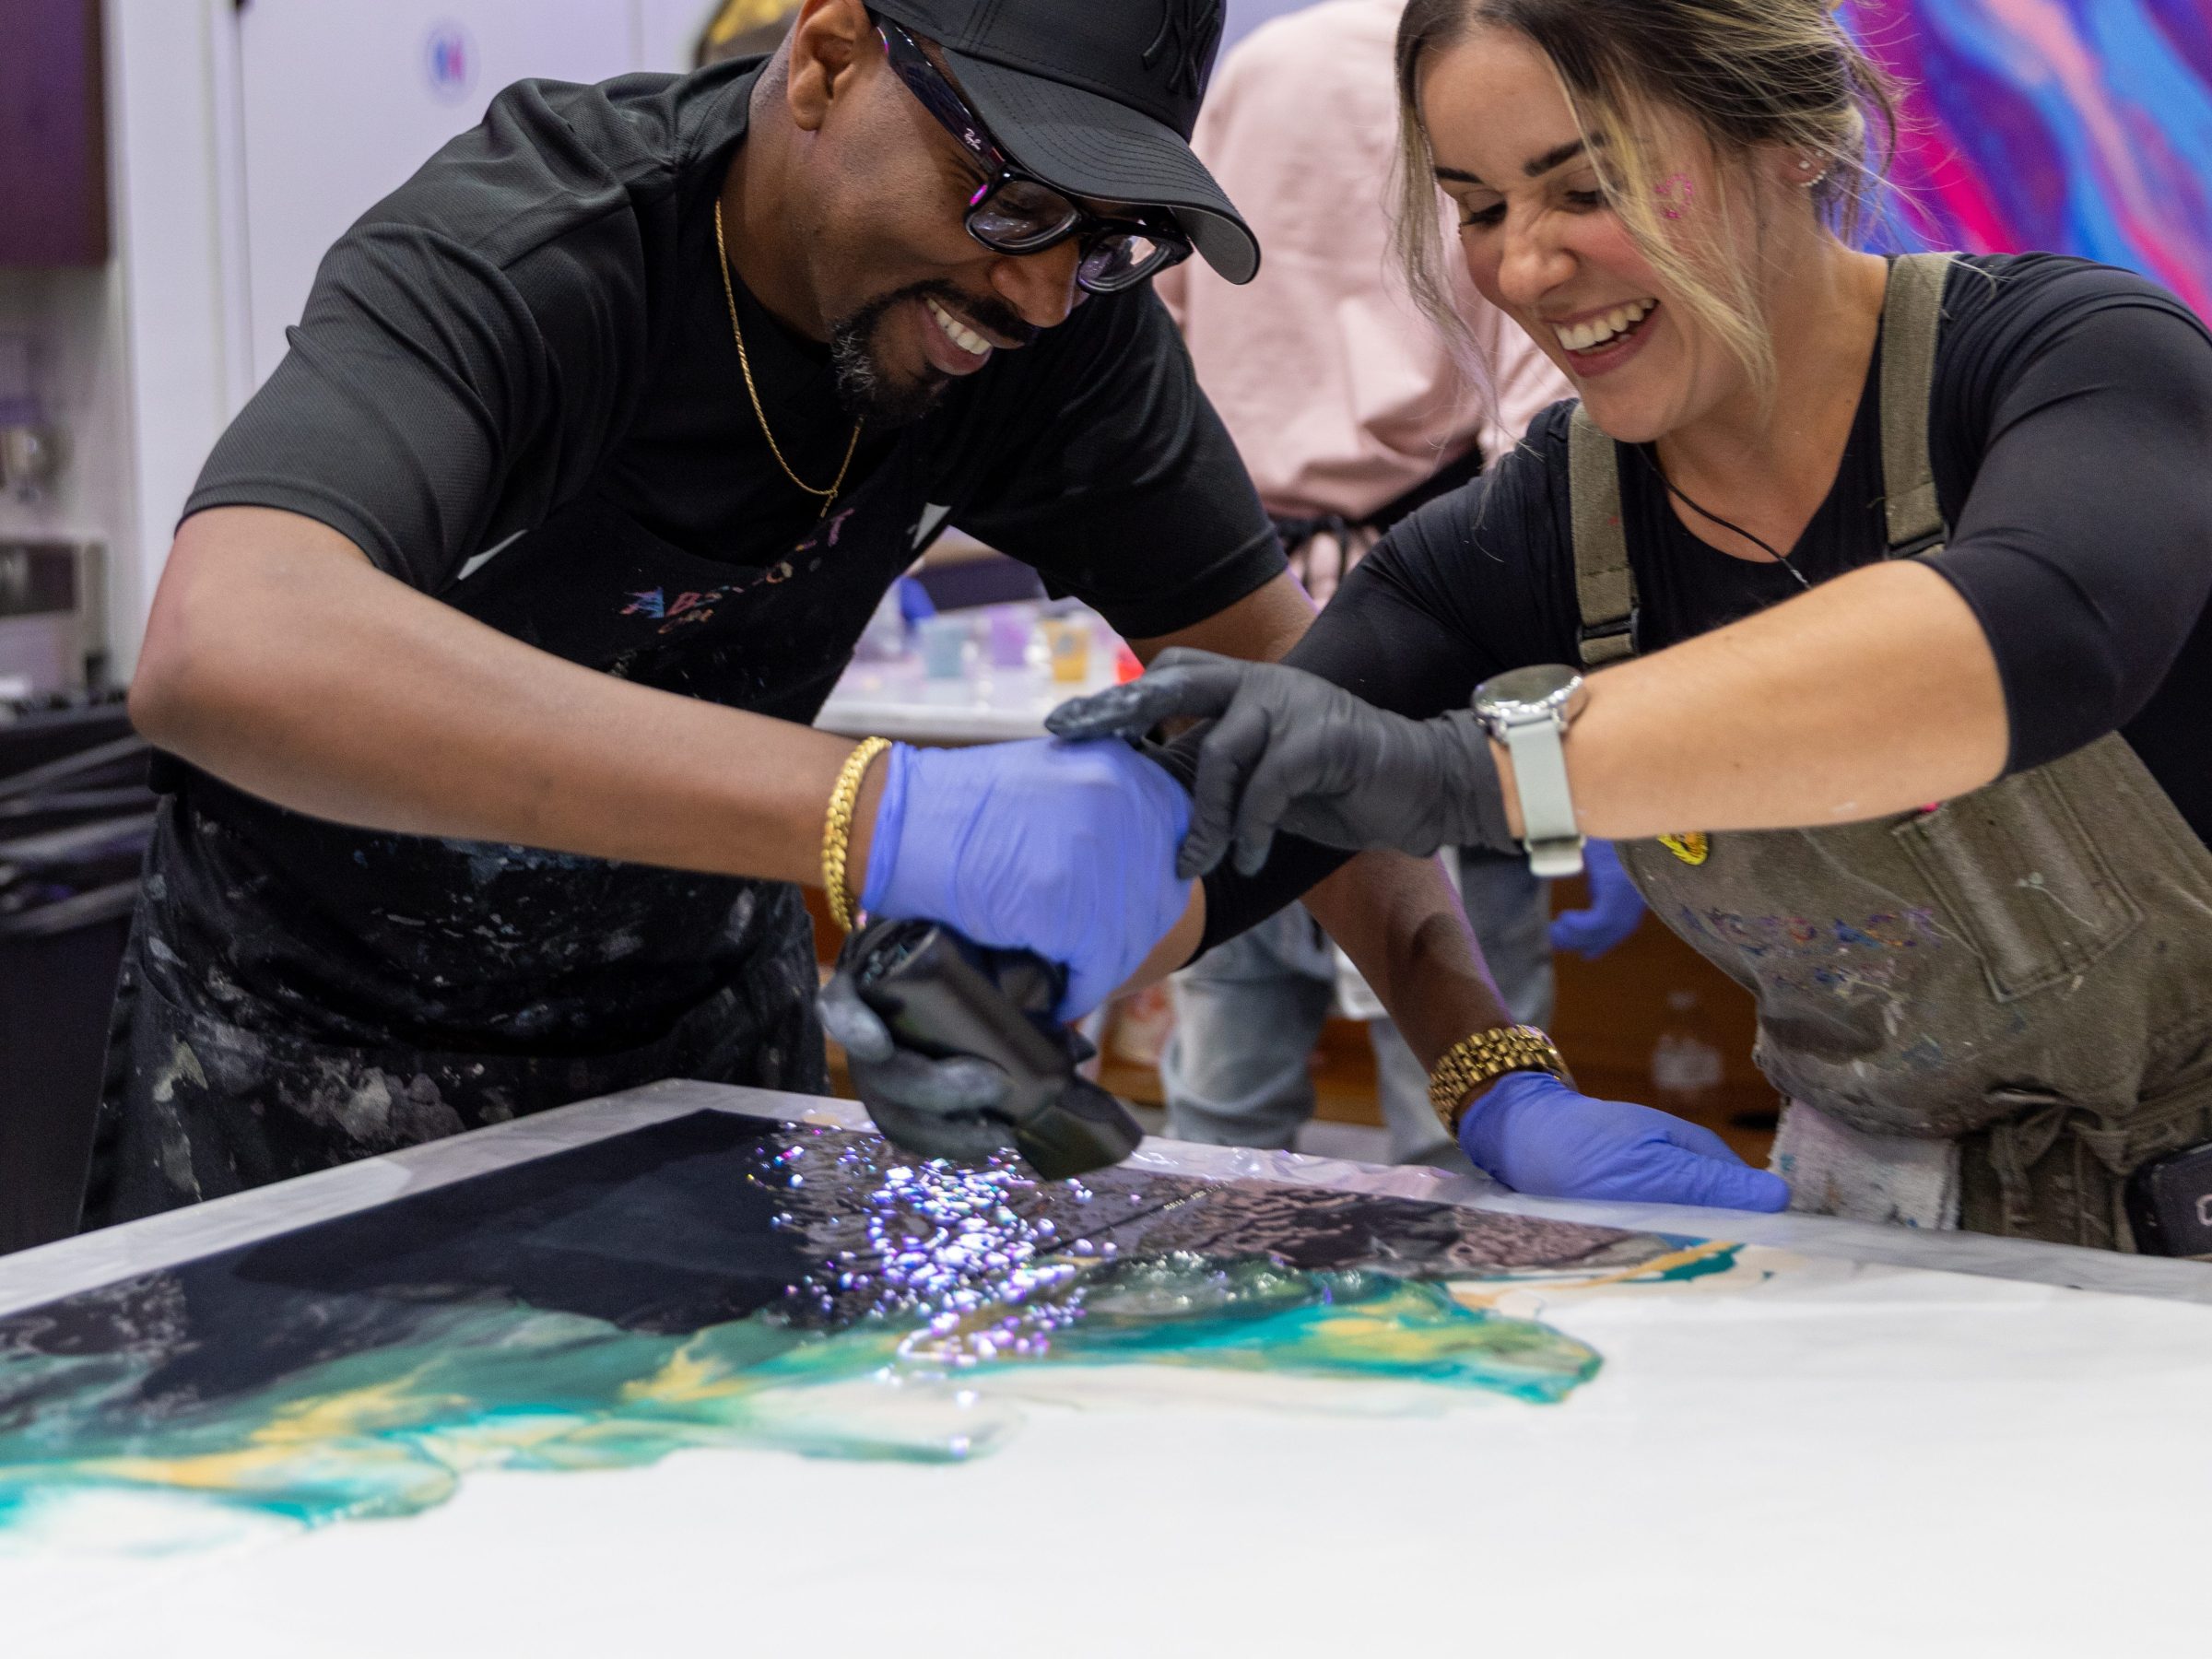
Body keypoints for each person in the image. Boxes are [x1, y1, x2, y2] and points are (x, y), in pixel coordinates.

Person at [92, 0, 1640, 1224]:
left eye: (1111, 239)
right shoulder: (535, 249)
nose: (1041, 290)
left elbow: (1302, 727)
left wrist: (1483, 1061)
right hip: (307, 1050)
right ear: (830, 54)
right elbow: (229, 643)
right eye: (1010, 197)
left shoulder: (1049, 332)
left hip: (692, 1047)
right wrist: (881, 811)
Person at [1054, 0, 2212, 1252]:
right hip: (1889, 1246)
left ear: (1793, 138)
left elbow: (2037, 632)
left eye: (1589, 187)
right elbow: (1227, 829)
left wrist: (1472, 774)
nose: (1527, 269)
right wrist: (998, 960)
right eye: (1483, 209)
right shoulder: (1549, 525)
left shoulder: (2076, 360)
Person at [1149, 0, 1623, 1167]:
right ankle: (1469, 1333)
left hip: (1232, 590)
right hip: (1448, 607)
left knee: (1227, 1078)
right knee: (1468, 1094)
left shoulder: (1248, 73)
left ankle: (1197, 1319)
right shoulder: (1503, 82)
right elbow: (1546, 434)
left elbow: (1148, 341)